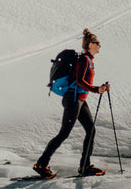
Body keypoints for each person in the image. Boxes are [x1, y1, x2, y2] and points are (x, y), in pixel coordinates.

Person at [34, 28, 110, 177]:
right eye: (97, 43)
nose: (100, 45)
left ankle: (85, 167)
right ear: (90, 44)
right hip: (73, 99)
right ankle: (41, 164)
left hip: (80, 100)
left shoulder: (90, 60)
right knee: (64, 133)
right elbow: (79, 81)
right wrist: (96, 90)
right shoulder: (83, 59)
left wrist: (101, 88)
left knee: (91, 130)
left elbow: (83, 82)